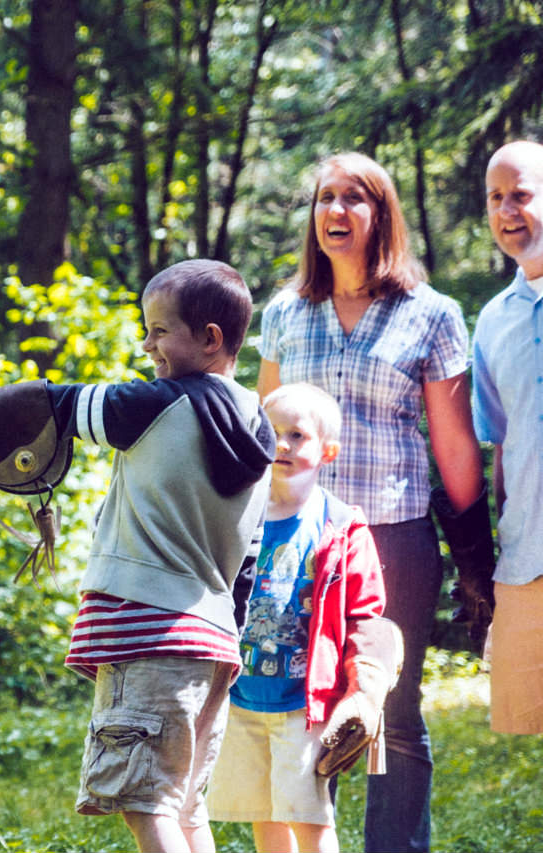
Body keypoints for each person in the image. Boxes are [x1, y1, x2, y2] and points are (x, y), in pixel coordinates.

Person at [0, 259, 275, 853]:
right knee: (185, 805)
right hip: (213, 641)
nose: (146, 344)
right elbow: (250, 560)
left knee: (145, 805)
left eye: (159, 330)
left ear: (209, 338)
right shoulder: (260, 424)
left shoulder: (153, 404)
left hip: (148, 633)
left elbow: (51, 406)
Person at [257, 152, 486, 853]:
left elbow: (453, 448)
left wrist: (475, 556)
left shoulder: (433, 314)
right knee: (292, 702)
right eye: (325, 198)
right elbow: (263, 430)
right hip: (297, 540)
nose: (335, 211)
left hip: (392, 538)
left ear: (381, 215)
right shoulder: (285, 313)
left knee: (396, 704)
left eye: (354, 199)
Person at [207, 383, 398, 853]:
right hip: (240, 694)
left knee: (310, 818)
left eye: (298, 435)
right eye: (273, 433)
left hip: (303, 703)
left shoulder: (340, 525)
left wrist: (363, 688)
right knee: (263, 813)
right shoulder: (234, 514)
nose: (283, 445)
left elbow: (365, 615)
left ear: (328, 450)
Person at [474, 139, 543, 735]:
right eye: (495, 198)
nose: (506, 210)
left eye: (520, 194)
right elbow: (500, 445)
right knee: (533, 725)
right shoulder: (493, 320)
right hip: (527, 558)